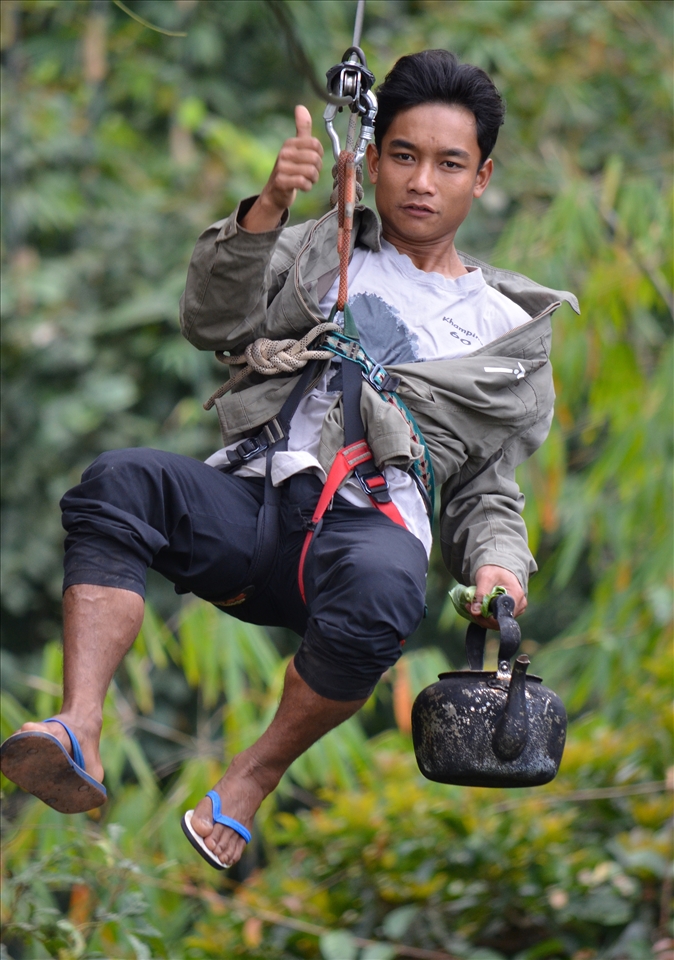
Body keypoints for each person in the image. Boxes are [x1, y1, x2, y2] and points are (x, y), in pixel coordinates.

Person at [0, 50, 577, 870]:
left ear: (481, 177)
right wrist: (270, 205)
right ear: (370, 160)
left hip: (369, 533)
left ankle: (252, 777)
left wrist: (498, 569)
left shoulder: (503, 335)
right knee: (121, 482)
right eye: (404, 156)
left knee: (388, 589)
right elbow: (209, 319)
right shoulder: (318, 246)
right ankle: (77, 726)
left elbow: (488, 487)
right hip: (258, 500)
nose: (421, 182)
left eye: (448, 164)